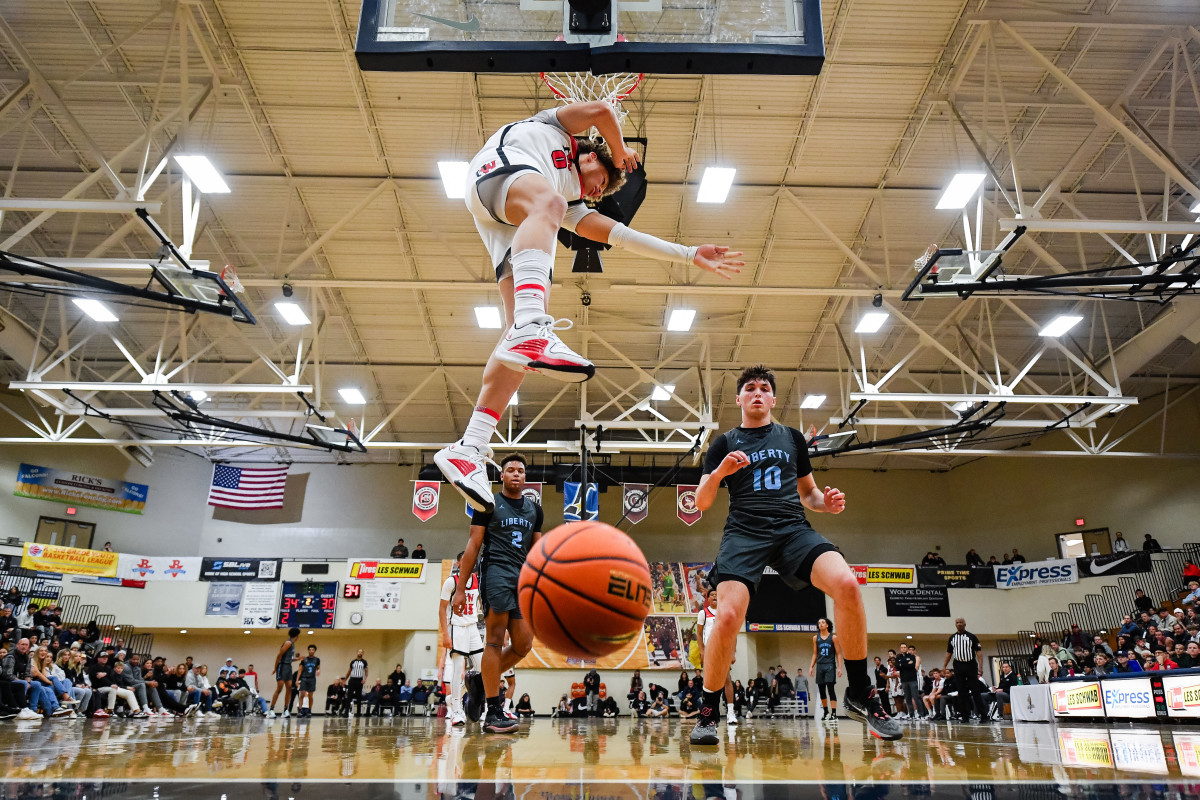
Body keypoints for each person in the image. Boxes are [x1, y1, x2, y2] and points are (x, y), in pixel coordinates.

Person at [433, 101, 743, 513]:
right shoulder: (552, 129)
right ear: (592, 156)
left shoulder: (566, 200)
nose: (599, 193)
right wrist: (621, 150)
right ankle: (531, 329)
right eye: (601, 181)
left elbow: (623, 236)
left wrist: (687, 254)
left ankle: (470, 445)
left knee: (515, 346)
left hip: (507, 210)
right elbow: (600, 109)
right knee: (549, 214)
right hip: (498, 170)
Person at [686, 365, 900, 745]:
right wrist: (719, 472)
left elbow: (809, 494)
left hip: (792, 530)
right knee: (729, 616)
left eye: (764, 388)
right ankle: (707, 712)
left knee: (848, 585)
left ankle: (860, 691)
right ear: (738, 399)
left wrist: (826, 504)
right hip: (744, 533)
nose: (757, 393)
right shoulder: (724, 442)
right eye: (749, 388)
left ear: (772, 399)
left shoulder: (792, 439)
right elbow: (701, 502)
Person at [452, 452, 542, 733]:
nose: (516, 474)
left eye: (520, 471)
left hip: (523, 580)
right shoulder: (487, 504)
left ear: (525, 477)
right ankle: (493, 711)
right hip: (496, 574)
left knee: (523, 644)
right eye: (511, 470)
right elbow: (472, 546)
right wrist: (460, 589)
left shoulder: (534, 510)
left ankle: (480, 682)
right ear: (501, 475)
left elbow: (537, 552)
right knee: (493, 640)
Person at [440, 551, 483, 726]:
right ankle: (457, 711)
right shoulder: (451, 582)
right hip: (456, 628)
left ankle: (456, 696)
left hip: (472, 627)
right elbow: (442, 609)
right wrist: (444, 633)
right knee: (457, 670)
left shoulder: (477, 581)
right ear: (458, 564)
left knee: (482, 668)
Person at [696, 586, 737, 725]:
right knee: (708, 682)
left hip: (723, 649)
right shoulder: (703, 613)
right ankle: (707, 713)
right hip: (709, 651)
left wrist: (732, 652)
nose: (714, 596)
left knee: (727, 679)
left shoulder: (725, 613)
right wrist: (702, 651)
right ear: (708, 598)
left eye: (716, 594)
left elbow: (733, 634)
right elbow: (699, 635)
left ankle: (731, 713)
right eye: (712, 594)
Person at [943, 617, 985, 722]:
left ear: (965, 624)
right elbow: (949, 653)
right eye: (957, 622)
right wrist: (944, 666)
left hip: (970, 665)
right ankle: (965, 716)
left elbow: (979, 652)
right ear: (955, 625)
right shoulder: (952, 638)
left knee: (975, 690)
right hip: (958, 665)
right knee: (961, 692)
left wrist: (980, 667)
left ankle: (983, 715)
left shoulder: (972, 637)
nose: (959, 624)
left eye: (961, 622)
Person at [809, 617, 840, 721]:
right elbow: (815, 653)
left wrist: (839, 667)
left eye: (823, 622)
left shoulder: (833, 637)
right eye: (819, 623)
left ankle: (834, 713)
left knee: (830, 689)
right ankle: (826, 712)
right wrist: (811, 666)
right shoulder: (815, 638)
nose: (821, 624)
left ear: (827, 625)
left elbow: (838, 654)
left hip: (830, 665)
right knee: (822, 690)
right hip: (820, 665)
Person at [269, 627, 300, 718]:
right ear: (297, 636)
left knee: (289, 688)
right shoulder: (288, 643)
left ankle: (285, 710)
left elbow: (289, 658)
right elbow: (279, 656)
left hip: (288, 667)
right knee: (279, 689)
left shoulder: (292, 644)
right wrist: (275, 668)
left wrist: (299, 658)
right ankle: (271, 710)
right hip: (282, 666)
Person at [296, 644, 320, 718]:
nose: (311, 651)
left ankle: (309, 711)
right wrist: (297, 680)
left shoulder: (317, 660)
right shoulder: (304, 660)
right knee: (302, 694)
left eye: (312, 650)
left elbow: (318, 668)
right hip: (304, 678)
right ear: (308, 650)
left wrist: (318, 670)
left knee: (310, 695)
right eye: (310, 649)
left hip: (312, 679)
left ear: (314, 651)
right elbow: (300, 670)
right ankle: (300, 711)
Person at [344, 649, 369, 717]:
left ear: (363, 653)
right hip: (352, 680)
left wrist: (364, 679)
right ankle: (346, 713)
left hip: (359, 680)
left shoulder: (364, 662)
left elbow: (366, 672)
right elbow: (349, 671)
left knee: (359, 697)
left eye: (361, 652)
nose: (360, 653)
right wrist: (345, 679)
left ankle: (358, 713)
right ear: (357, 653)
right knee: (349, 696)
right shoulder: (353, 662)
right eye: (358, 652)